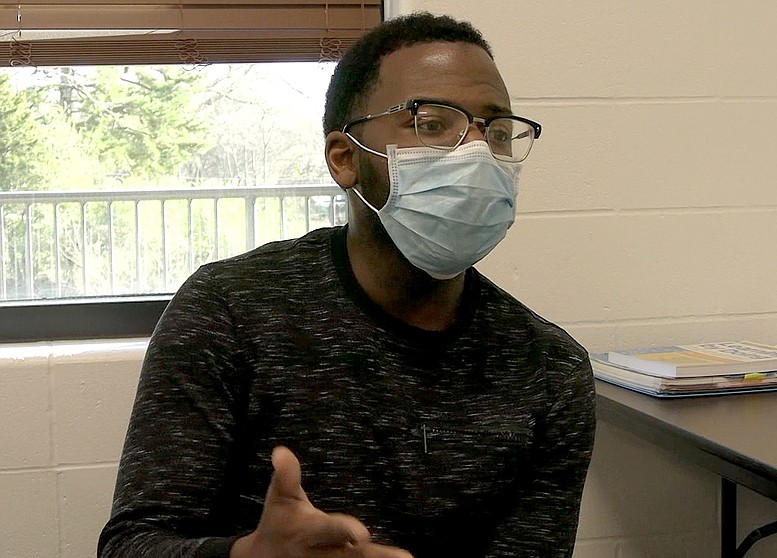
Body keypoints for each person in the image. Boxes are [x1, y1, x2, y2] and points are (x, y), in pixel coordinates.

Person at [98, 12, 595, 558]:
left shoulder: (549, 369)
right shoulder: (230, 312)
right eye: (431, 124)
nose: (477, 154)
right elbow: (132, 545)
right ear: (345, 159)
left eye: (496, 131)